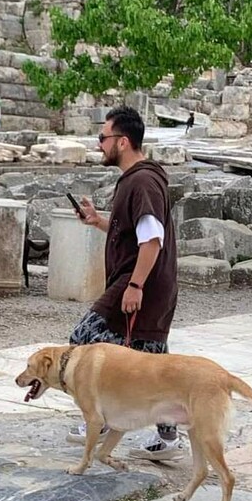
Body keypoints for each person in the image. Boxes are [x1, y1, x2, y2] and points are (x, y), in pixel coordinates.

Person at [66, 105, 183, 462]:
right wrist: (98, 220)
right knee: (149, 358)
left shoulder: (143, 181)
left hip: (140, 283)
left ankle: (99, 417)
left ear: (123, 141)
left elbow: (152, 239)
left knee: (84, 341)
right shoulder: (135, 181)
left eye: (103, 138)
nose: (99, 144)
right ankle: (168, 436)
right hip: (144, 283)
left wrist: (135, 287)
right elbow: (131, 233)